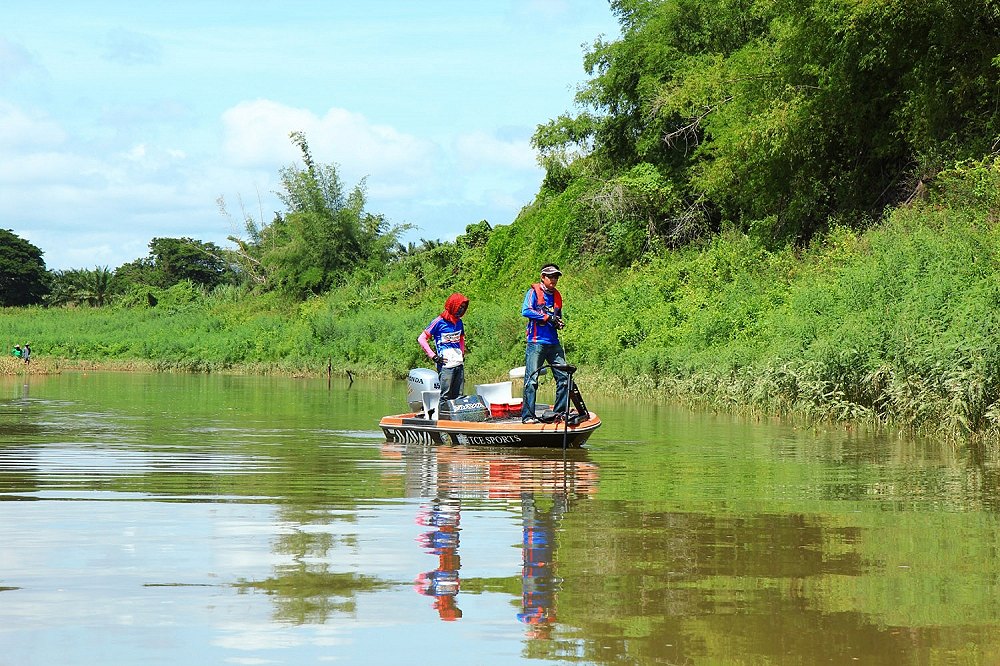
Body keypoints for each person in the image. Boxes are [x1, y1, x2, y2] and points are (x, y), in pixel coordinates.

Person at [520, 264, 568, 423]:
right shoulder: (533, 292)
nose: (554, 280)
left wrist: (558, 322)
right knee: (532, 380)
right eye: (551, 276)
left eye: (556, 277)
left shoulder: (557, 296)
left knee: (564, 378)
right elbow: (526, 311)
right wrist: (547, 318)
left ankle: (559, 413)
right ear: (543, 277)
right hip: (536, 343)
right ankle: (528, 416)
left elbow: (556, 315)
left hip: (553, 343)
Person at [418, 293, 469, 400]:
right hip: (445, 364)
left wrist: (462, 353)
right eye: (459, 307)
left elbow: (461, 338)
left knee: (458, 396)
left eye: (463, 308)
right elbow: (422, 338)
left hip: (458, 362)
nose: (461, 310)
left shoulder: (459, 322)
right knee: (445, 395)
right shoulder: (438, 322)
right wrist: (434, 356)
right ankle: (442, 415)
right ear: (453, 305)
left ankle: (456, 415)